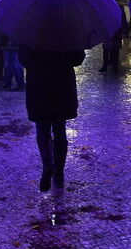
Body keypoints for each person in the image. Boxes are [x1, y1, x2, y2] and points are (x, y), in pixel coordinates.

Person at [20, 47, 85, 192]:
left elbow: (24, 60)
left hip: (39, 86)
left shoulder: (32, 34)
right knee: (59, 129)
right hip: (62, 86)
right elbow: (78, 58)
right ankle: (59, 172)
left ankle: (47, 165)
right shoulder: (68, 32)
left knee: (42, 129)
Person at [98, 3, 125, 75]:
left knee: (113, 49)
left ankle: (112, 65)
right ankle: (109, 65)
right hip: (110, 29)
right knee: (108, 49)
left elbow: (123, 19)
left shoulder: (109, 5)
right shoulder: (110, 6)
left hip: (114, 30)